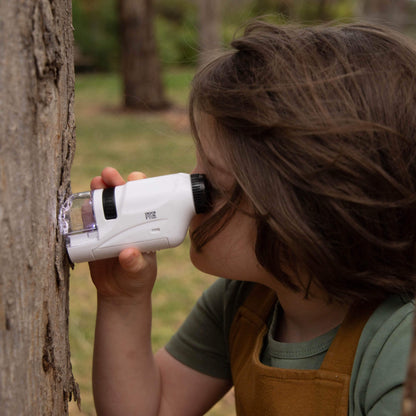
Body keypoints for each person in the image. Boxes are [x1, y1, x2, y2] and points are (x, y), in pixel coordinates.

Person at [88, 20, 416, 416]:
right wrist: (124, 300)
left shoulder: (399, 345)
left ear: (308, 212)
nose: (190, 199)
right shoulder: (245, 302)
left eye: (211, 187)